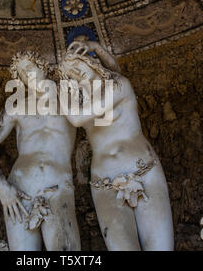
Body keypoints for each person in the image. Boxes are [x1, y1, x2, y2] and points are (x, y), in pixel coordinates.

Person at [57, 41, 174, 251]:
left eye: (76, 64)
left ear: (90, 61)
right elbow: (73, 116)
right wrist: (64, 81)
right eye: (69, 73)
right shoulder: (79, 102)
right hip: (104, 183)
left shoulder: (119, 84)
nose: (74, 72)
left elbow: (76, 117)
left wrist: (96, 47)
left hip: (143, 172)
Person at [0, 51, 81, 251]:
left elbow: (107, 87)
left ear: (43, 67)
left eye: (30, 68)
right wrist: (3, 188)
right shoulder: (15, 107)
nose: (27, 74)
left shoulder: (70, 99)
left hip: (57, 189)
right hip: (19, 192)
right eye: (22, 73)